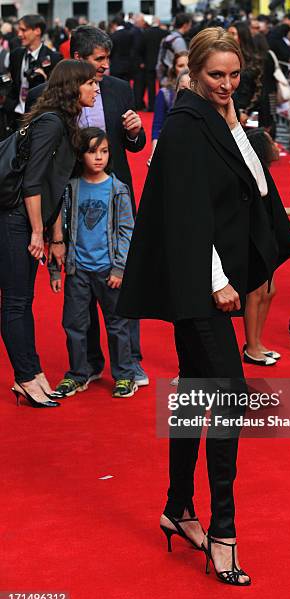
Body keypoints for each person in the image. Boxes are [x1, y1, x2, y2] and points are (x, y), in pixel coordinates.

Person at [117, 27, 290, 586]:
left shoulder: (216, 119)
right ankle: (224, 532)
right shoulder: (182, 126)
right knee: (227, 397)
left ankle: (178, 508)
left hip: (206, 280)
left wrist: (234, 119)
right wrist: (219, 280)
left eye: (234, 74)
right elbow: (187, 213)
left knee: (198, 391)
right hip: (201, 285)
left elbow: (259, 188)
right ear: (193, 72)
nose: (226, 84)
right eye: (215, 75)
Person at [26, 25, 148, 387]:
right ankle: (89, 363)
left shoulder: (119, 90)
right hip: (71, 201)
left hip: (114, 196)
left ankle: (131, 363)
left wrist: (133, 132)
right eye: (99, 60)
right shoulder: (42, 96)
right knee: (81, 282)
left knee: (123, 281)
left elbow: (135, 147)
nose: (105, 68)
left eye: (108, 59)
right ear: (77, 59)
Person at [0, 59, 98, 408]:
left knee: (21, 301)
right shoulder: (53, 123)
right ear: (72, 86)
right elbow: (33, 180)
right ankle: (26, 377)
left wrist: (56, 237)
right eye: (89, 83)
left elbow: (57, 188)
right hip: (15, 218)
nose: (96, 88)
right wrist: (39, 233)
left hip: (27, 219)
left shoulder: (64, 122)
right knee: (15, 301)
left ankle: (33, 373)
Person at [50, 128, 139, 398]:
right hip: (78, 270)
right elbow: (59, 231)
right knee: (74, 324)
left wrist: (120, 267)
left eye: (104, 151)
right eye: (91, 152)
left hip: (108, 270)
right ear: (80, 155)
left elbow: (127, 230)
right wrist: (56, 269)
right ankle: (80, 372)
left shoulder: (117, 189)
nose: (98, 158)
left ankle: (124, 375)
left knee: (117, 324)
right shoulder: (71, 188)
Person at [243, 128, 281, 365]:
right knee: (255, 293)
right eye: (271, 141)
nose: (276, 144)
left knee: (269, 291)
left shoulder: (264, 173)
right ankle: (252, 347)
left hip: (264, 236)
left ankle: (257, 341)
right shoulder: (253, 175)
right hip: (252, 238)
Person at [3, 14, 62, 127]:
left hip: (39, 117)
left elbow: (58, 92)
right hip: (16, 115)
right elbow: (13, 84)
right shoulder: (16, 55)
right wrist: (9, 105)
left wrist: (45, 81)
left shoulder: (54, 58)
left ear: (37, 31)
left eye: (23, 30)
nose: (19, 34)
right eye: (19, 30)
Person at [149, 50, 188, 164]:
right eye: (181, 65)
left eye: (188, 65)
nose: (186, 68)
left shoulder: (204, 92)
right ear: (174, 68)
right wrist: (154, 153)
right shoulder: (165, 93)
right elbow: (157, 126)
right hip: (170, 147)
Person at [156, 13, 191, 84]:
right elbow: (183, 62)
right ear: (185, 25)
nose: (190, 28)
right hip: (174, 79)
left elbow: (159, 61)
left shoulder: (166, 38)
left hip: (165, 77)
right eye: (190, 25)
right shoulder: (179, 40)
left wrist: (161, 78)